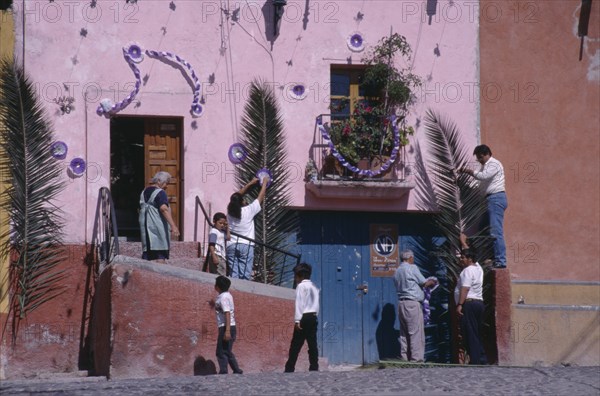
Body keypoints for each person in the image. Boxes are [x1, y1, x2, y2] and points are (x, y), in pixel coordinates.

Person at [459, 144, 508, 268]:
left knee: (495, 231)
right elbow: (479, 185)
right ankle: (488, 256)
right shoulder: (485, 167)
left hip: (496, 198)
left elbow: (483, 176)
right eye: (478, 158)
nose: (479, 160)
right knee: (483, 229)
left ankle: (500, 261)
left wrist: (467, 171)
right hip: (489, 200)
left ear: (487, 154)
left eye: (481, 157)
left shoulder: (494, 164)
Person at [393, 250, 438, 362]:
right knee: (415, 332)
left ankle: (405, 357)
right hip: (412, 303)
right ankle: (416, 359)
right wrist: (432, 281)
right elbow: (424, 282)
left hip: (401, 303)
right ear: (410, 258)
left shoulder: (397, 271)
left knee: (404, 333)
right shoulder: (412, 268)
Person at [226, 176, 269, 280]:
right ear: (241, 202)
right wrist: (264, 184)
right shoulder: (248, 210)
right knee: (245, 274)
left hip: (231, 245)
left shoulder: (229, 212)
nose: (245, 200)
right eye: (244, 200)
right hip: (246, 245)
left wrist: (250, 183)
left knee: (234, 274)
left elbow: (235, 197)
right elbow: (260, 198)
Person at [284, 263, 320, 372]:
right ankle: (314, 366)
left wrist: (297, 320)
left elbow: (299, 303)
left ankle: (290, 367)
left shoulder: (301, 286)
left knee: (296, 344)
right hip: (313, 316)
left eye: (295, 276)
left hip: (304, 316)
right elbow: (316, 303)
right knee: (312, 344)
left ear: (300, 276)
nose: (295, 279)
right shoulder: (314, 286)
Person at [139, 171, 180, 263]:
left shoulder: (144, 191)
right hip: (157, 226)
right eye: (166, 183)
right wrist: (173, 226)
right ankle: (160, 275)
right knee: (160, 252)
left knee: (148, 252)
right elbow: (163, 209)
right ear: (158, 181)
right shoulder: (160, 193)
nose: (166, 186)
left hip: (146, 227)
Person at [455, 248, 485, 365]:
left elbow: (465, 288)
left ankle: (475, 360)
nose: (461, 260)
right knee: (477, 331)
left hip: (469, 303)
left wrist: (460, 304)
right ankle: (481, 358)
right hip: (479, 303)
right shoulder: (479, 269)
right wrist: (464, 243)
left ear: (470, 259)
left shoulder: (467, 271)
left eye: (463, 257)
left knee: (469, 332)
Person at [212, 275, 243, 374]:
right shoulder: (227, 295)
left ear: (217, 287)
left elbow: (227, 313)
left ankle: (224, 371)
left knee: (221, 351)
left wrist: (227, 331)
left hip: (226, 326)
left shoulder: (223, 298)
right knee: (227, 350)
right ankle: (237, 370)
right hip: (229, 326)